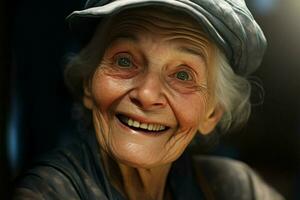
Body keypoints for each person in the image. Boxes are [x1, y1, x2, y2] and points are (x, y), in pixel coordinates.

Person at [13, 0, 285, 199]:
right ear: (88, 83)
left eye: (182, 75)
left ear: (212, 114)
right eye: (124, 60)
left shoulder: (235, 187)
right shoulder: (49, 192)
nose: (146, 94)